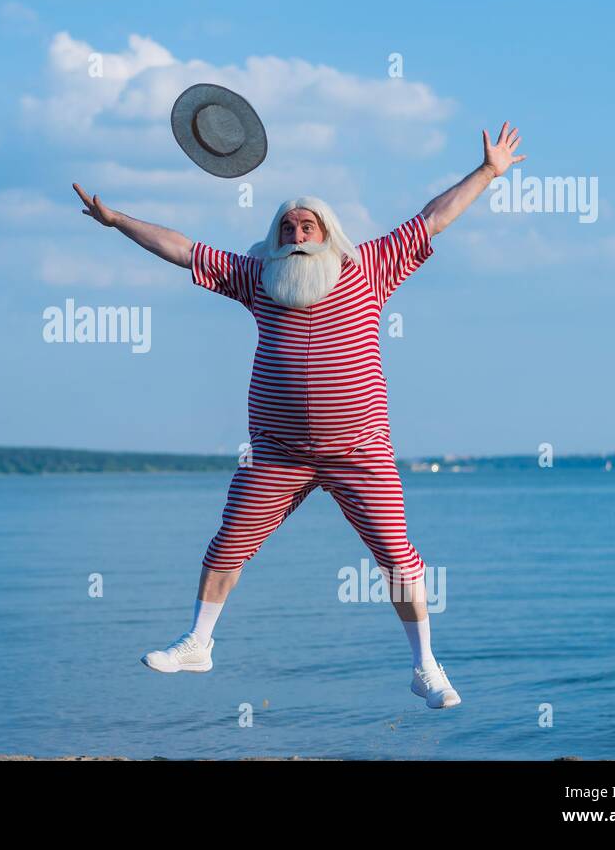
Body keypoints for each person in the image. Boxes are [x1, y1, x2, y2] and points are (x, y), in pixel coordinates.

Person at [71, 122, 526, 708]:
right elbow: (183, 249)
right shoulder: (258, 276)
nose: (296, 231)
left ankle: (426, 667)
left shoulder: (368, 266)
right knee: (226, 545)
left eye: (307, 224)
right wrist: (117, 222)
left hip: (359, 450)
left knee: (397, 557)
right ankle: (199, 644)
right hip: (278, 453)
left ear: (329, 233)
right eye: (286, 227)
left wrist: (489, 171)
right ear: (275, 239)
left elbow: (433, 218)